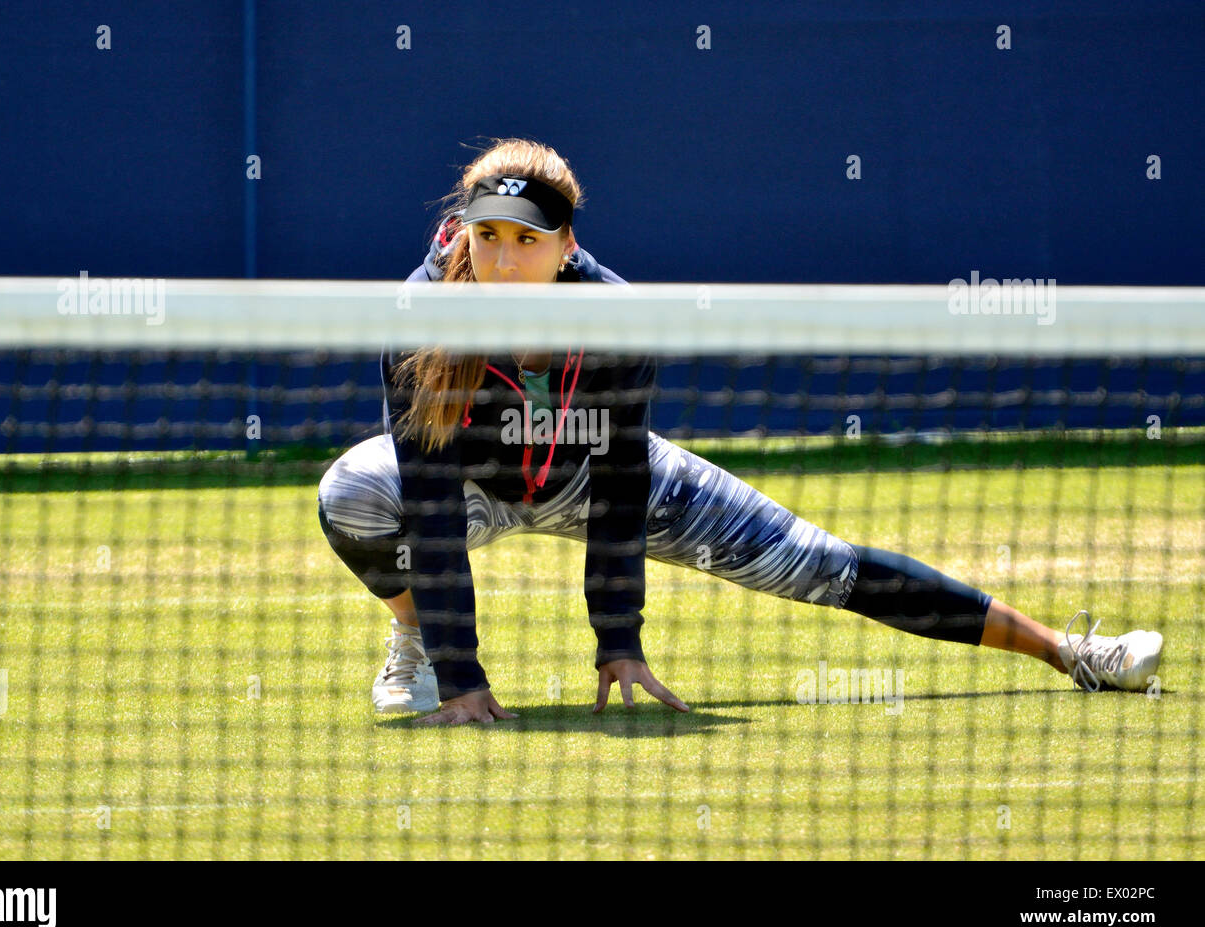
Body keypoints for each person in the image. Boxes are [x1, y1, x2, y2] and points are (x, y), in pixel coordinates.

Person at [317, 138, 1163, 726]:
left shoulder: (614, 318)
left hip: (596, 478)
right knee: (354, 492)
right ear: (463, 230)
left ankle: (1071, 650)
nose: (502, 260)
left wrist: (619, 642)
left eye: (526, 241)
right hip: (471, 493)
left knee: (825, 565)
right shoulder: (421, 316)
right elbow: (428, 501)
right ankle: (417, 638)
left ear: (567, 245)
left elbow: (618, 486)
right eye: (487, 236)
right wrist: (462, 676)